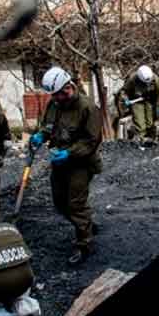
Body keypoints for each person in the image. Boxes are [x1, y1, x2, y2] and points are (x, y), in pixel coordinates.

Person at [29, 67, 102, 266]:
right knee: (60, 203)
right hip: (59, 161)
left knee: (76, 204)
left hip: (81, 163)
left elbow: (92, 141)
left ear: (69, 86)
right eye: (54, 95)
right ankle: (86, 224)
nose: (57, 98)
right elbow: (48, 126)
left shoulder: (88, 107)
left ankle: (84, 244)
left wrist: (70, 153)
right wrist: (41, 136)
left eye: (60, 93)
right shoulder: (54, 104)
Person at [115, 65, 159, 143]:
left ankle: (152, 140)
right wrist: (126, 99)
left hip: (150, 100)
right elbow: (124, 91)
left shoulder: (155, 79)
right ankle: (141, 140)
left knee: (150, 122)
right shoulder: (133, 79)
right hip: (137, 101)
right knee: (140, 123)